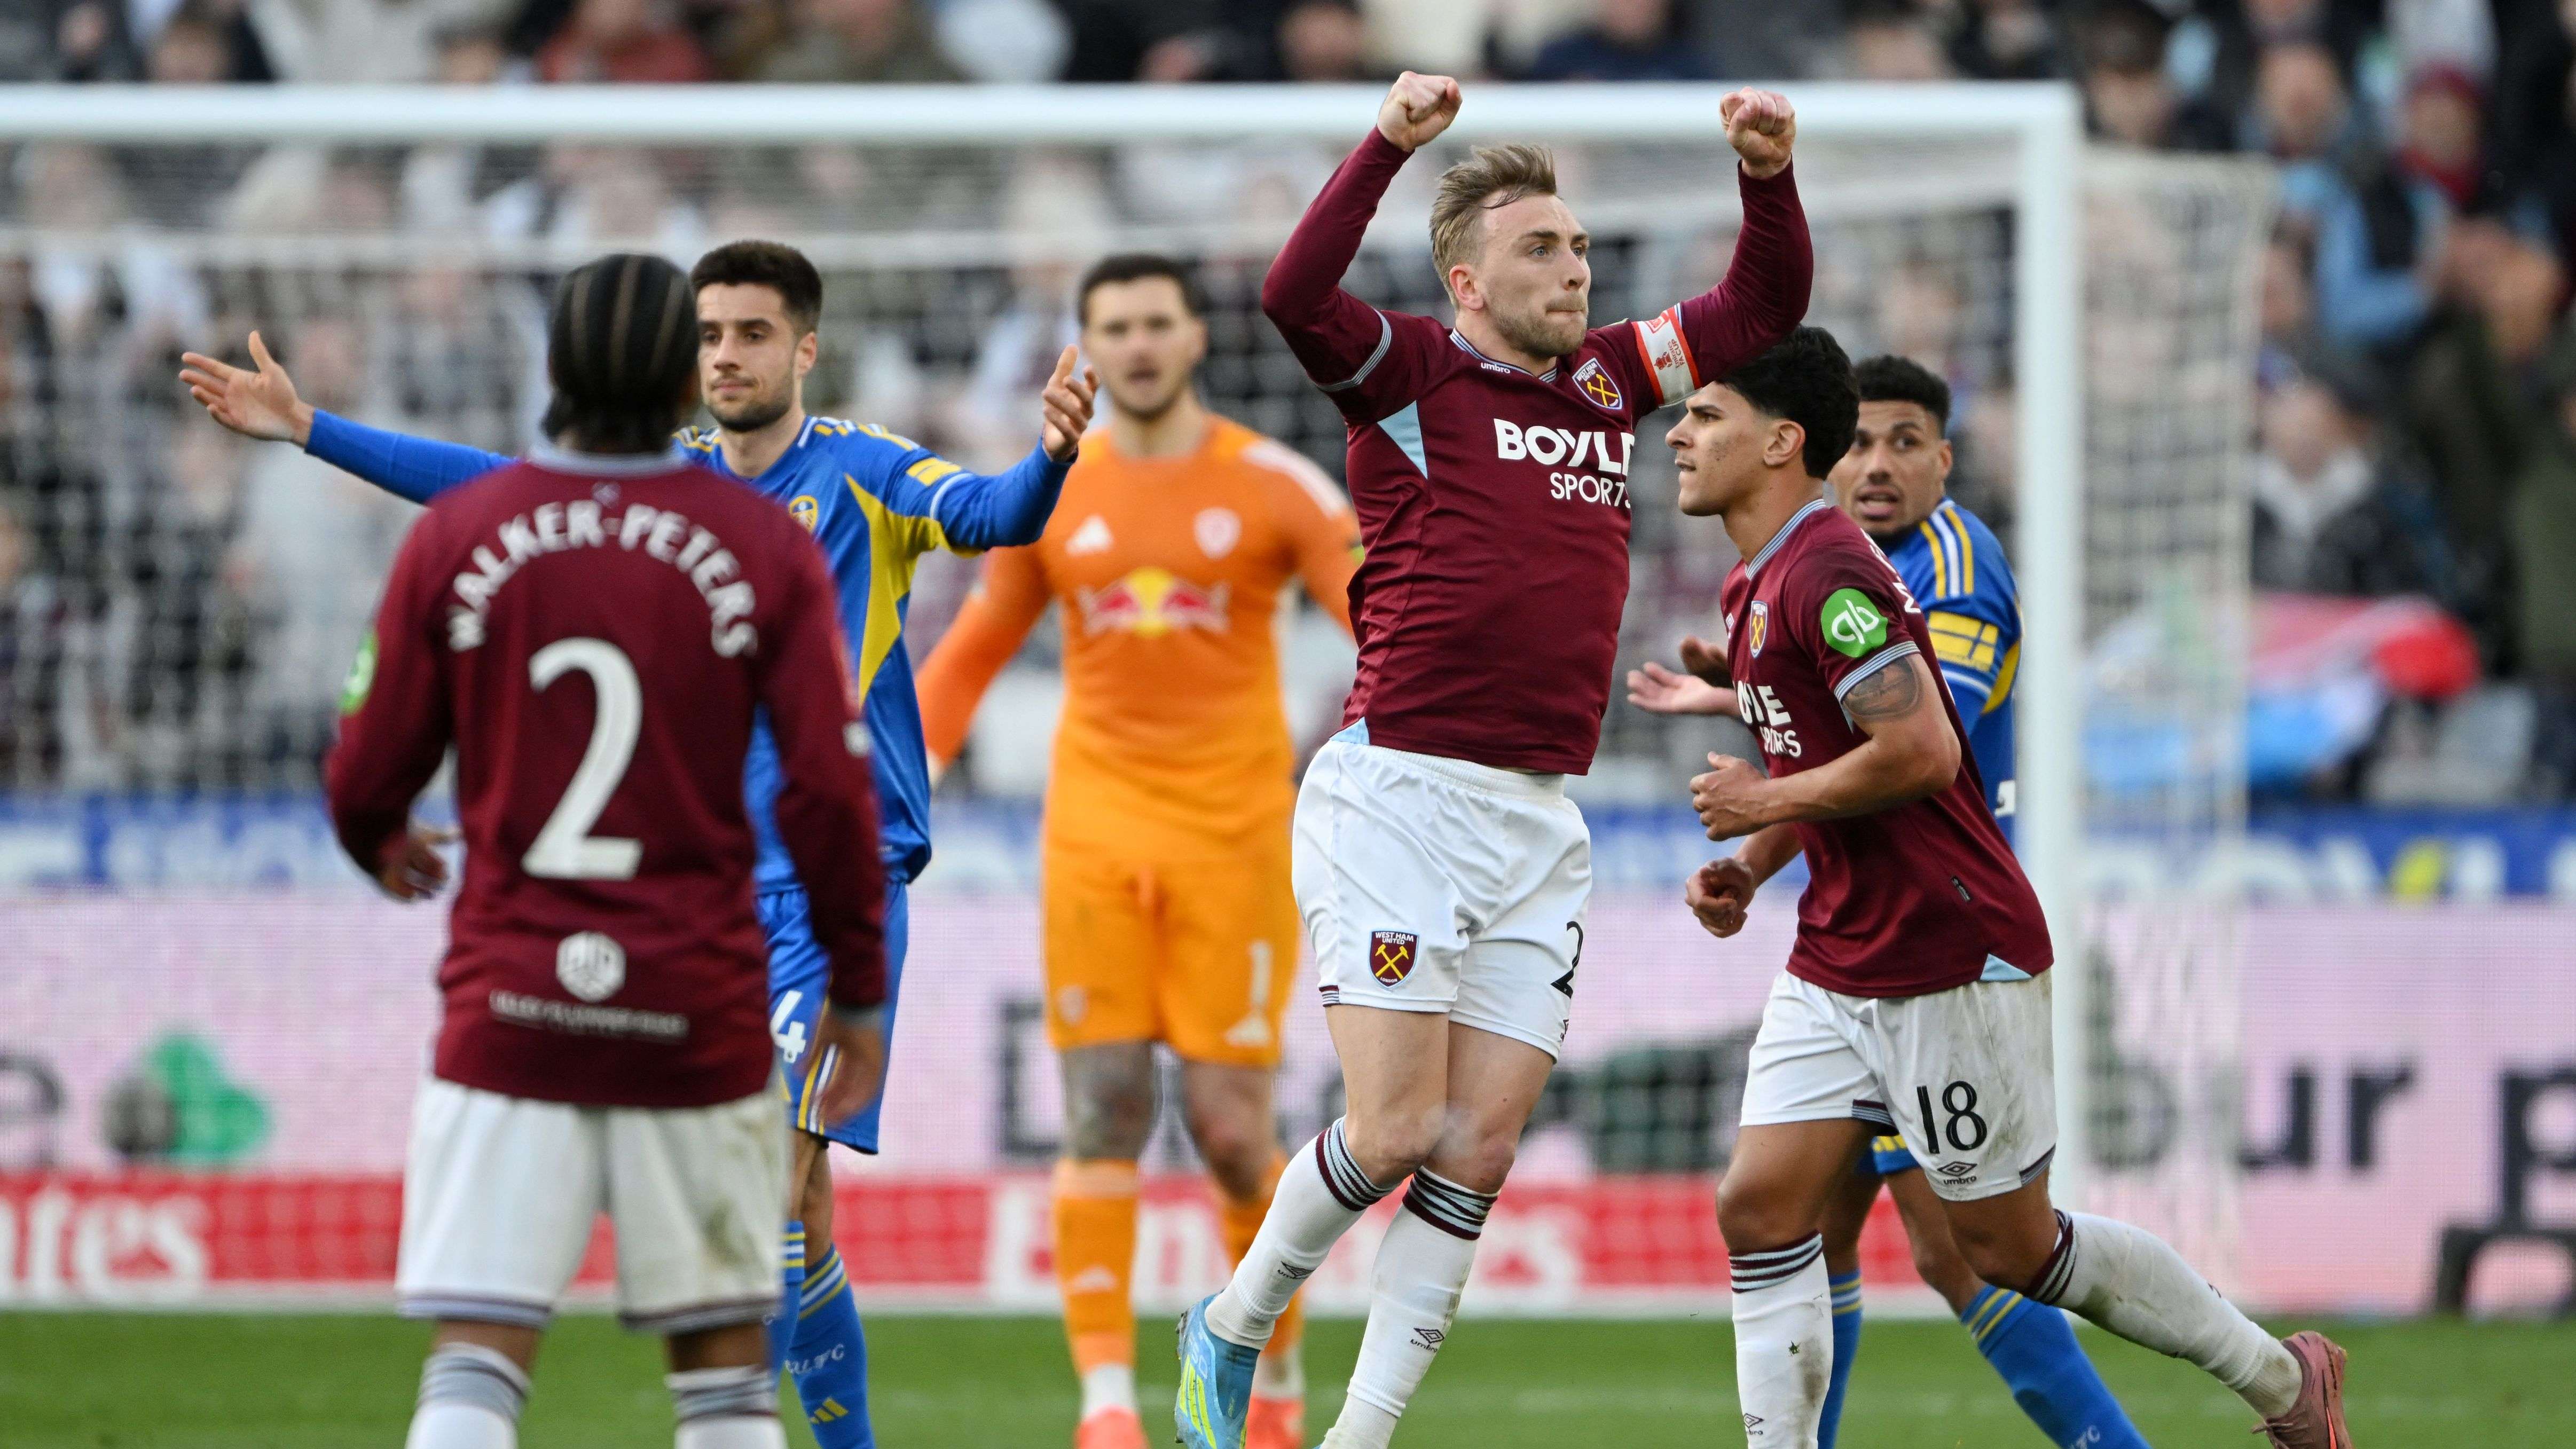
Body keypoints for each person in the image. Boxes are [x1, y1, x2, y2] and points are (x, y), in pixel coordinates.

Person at [179, 240, 1097, 1449]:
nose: (727, 355)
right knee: (797, 1215)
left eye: (753, 334)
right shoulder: (680, 496)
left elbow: (991, 515)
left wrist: (1052, 454)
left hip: (827, 889)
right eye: (708, 335)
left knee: (753, 1202)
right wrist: (316, 431)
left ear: (804, 348)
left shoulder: (862, 473)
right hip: (705, 899)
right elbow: (494, 476)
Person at [1173, 73, 1813, 1449]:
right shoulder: (1409, 372)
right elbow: (1293, 294)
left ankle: (1359, 1437)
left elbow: (1761, 313)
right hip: (1399, 788)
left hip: (1539, 815)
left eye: (1581, 248)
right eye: (1543, 248)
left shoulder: (1607, 385)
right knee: (1395, 1131)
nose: (1575, 268)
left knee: (1475, 1152)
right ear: (1466, 278)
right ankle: (1229, 1323)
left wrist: (1767, 177)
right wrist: (1390, 143)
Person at [1669, 325, 2352, 1448]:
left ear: (1782, 441)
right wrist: (1751, 860)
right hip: (1838, 955)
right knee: (1762, 1206)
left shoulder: (1833, 572)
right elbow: (1822, 749)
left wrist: (1763, 805)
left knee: (2008, 1250)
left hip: (1948, 949)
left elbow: (1926, 752)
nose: (1681, 434)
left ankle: (2283, 1382)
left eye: (1707, 416)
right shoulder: (1758, 577)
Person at [326, 251, 890, 1449]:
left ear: (559, 364)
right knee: (726, 1382)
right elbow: (832, 795)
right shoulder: (760, 543)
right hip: (700, 1001)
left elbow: (366, 765)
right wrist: (864, 986)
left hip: (513, 997)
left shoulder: (470, 534)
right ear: (672, 369)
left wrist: (379, 839)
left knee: (477, 1358)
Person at [1631, 355, 2147, 1449]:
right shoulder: (1818, 564)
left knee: (1965, 1251)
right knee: (1807, 1222)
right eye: (1858, 441)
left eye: (1903, 441)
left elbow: (1911, 743)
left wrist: (1746, 693)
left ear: (1945, 459)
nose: (1874, 464)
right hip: (1860, 939)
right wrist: (1751, 684)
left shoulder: (1954, 566)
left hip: (1944, 943)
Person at [913, 253, 1359, 1449]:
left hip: (1236, 834)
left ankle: (1267, 1386)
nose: (1139, 344)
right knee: (1103, 1108)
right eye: (1114, 326)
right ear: (1089, 348)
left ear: (1194, 339)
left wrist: (1389, 766)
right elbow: (974, 643)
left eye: (1158, 322)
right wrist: (894, 779)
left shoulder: (1277, 487)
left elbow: (1387, 625)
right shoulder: (1055, 490)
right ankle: (1106, 1405)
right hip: (1096, 833)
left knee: (1229, 1129)